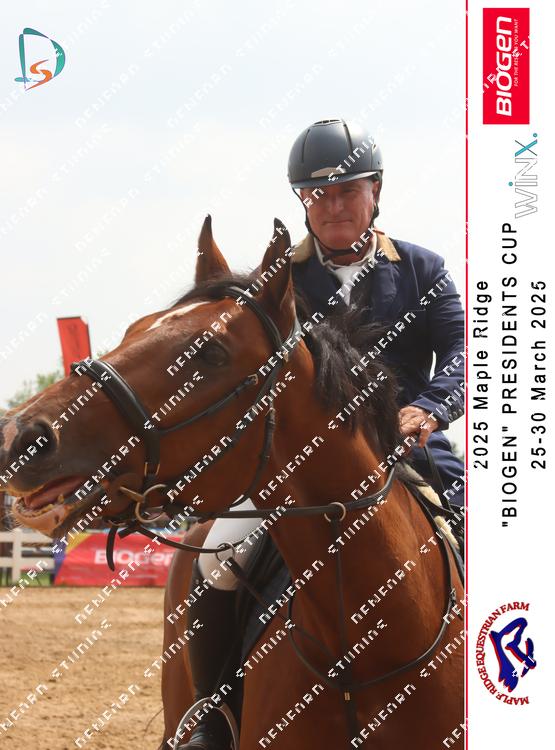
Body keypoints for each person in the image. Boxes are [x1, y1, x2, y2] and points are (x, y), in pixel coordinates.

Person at [179, 119, 465, 750]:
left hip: (412, 458)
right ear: (302, 200)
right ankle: (213, 719)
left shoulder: (423, 269)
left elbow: (465, 353)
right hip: (296, 470)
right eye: (318, 194)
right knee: (216, 558)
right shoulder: (276, 283)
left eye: (347, 191)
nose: (333, 206)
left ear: (375, 191)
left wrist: (429, 408)